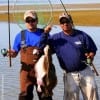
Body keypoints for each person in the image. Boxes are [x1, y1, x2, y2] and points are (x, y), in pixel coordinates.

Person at [40, 13, 99, 100]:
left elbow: (92, 49)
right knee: (71, 97)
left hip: (85, 71)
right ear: (60, 25)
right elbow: (41, 46)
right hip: (69, 74)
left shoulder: (82, 35)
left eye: (67, 21)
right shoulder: (55, 38)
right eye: (62, 22)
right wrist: (45, 32)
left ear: (71, 22)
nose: (65, 24)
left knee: (92, 96)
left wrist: (90, 56)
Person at [7, 10, 53, 100]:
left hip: (42, 70)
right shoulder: (21, 35)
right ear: (25, 22)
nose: (30, 23)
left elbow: (51, 50)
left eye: (33, 20)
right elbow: (15, 53)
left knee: (45, 95)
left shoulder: (44, 33)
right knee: (24, 96)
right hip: (26, 70)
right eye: (28, 21)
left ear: (37, 20)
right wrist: (11, 54)